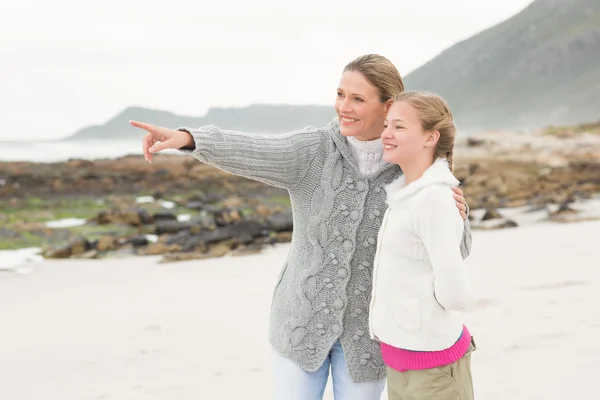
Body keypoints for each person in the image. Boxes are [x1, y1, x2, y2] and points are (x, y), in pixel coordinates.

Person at [129, 54, 472, 400]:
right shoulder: (313, 151)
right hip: (298, 324)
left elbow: (454, 250)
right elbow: (253, 149)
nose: (344, 107)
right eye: (340, 94)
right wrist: (190, 139)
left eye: (357, 99)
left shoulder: (406, 168)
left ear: (388, 107)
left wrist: (455, 214)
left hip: (368, 340)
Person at [369, 91, 476, 400]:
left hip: (434, 369)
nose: (387, 134)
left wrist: (417, 313)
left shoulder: (433, 198)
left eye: (399, 127)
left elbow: (456, 293)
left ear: (431, 137)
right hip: (401, 365)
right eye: (387, 125)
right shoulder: (405, 194)